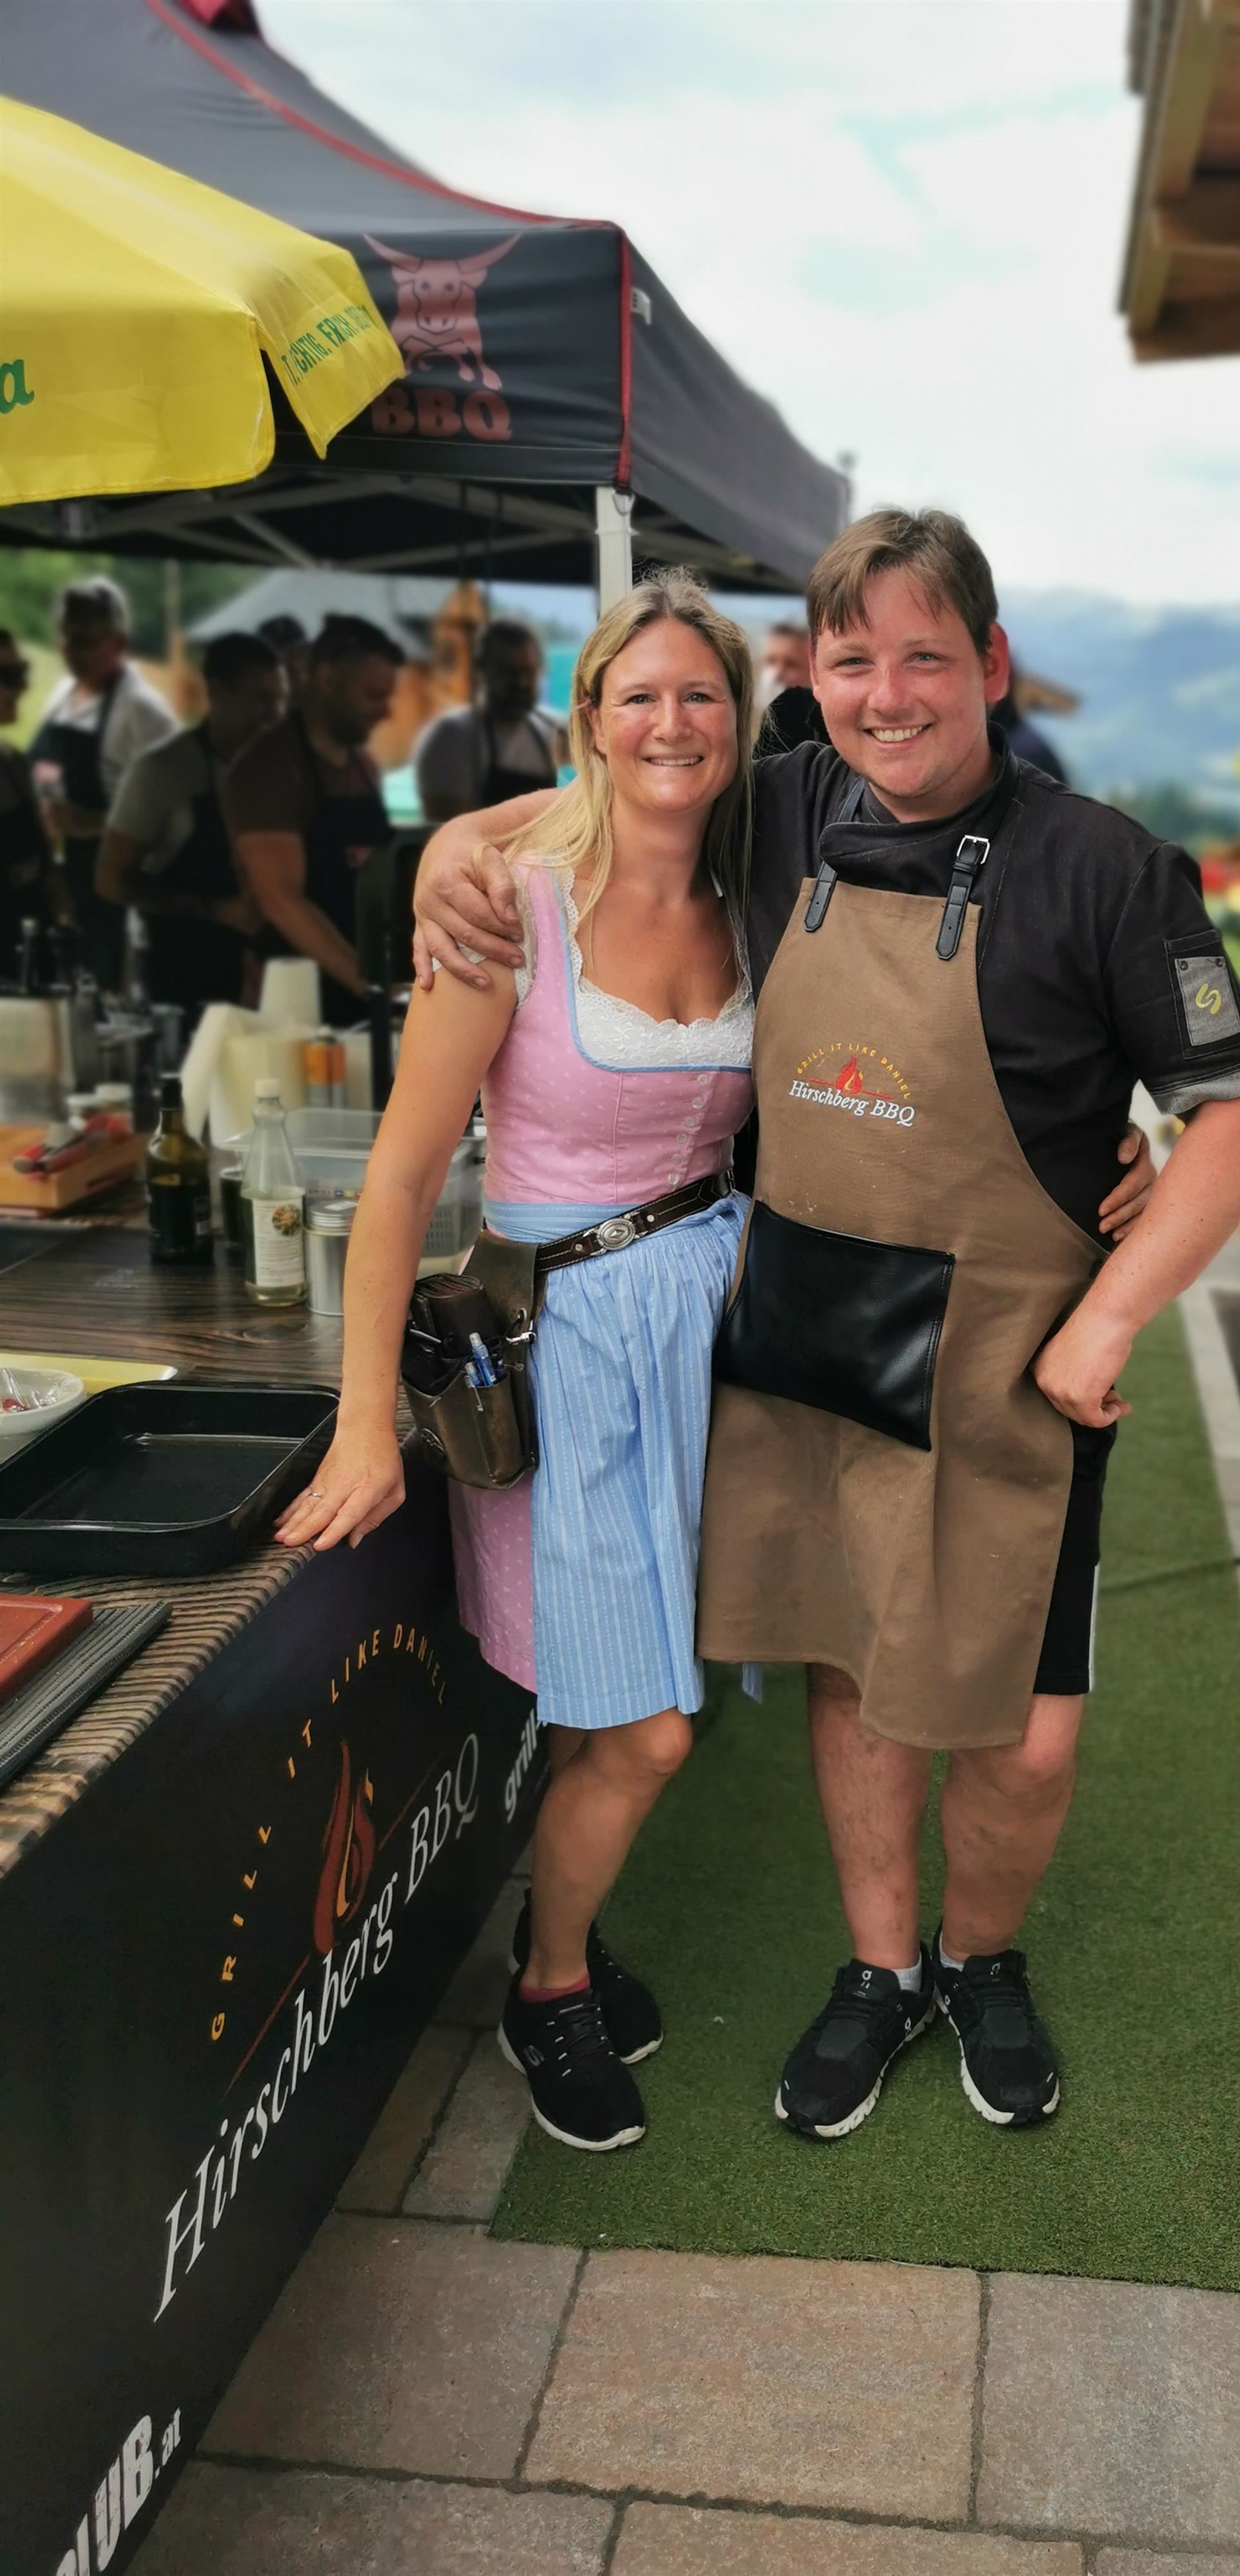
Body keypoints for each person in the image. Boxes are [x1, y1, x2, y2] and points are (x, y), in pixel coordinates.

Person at [413, 507, 1240, 2144]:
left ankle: (980, 1957)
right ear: (812, 678)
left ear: (991, 664)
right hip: (811, 1341)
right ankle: (880, 1967)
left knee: (1025, 1742)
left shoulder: (1110, 871)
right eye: (852, 660)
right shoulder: (787, 801)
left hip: (1013, 1367)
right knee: (857, 1672)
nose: (888, 695)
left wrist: (1108, 1321)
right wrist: (444, 849)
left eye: (924, 657)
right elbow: (592, 790)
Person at [276, 573, 758, 2154]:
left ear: (741, 720)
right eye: (639, 694)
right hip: (562, 1348)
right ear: (589, 719)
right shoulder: (509, 912)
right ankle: (545, 1985)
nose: (671, 722)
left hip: (705, 1335)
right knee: (647, 1724)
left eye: (702, 693)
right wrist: (365, 1424)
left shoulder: (755, 888)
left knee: (619, 1700)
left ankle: (570, 1924)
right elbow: (401, 1180)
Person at [224, 613, 402, 1021]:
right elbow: (281, 901)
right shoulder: (272, 768)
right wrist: (375, 986)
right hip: (293, 999)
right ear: (326, 678)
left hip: (359, 994)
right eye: (373, 697)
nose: (386, 712)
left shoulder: (362, 766)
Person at [97, 631, 286, 1015]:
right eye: (260, 700)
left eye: (279, 700)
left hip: (273, 978)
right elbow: (111, 881)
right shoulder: (162, 772)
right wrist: (218, 911)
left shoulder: (281, 772)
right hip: (185, 986)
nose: (273, 716)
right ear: (216, 693)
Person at [29, 577, 177, 989]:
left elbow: (176, 817)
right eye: (65, 638)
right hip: (58, 888)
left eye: (84, 641)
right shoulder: (63, 692)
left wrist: (91, 822)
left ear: (119, 642)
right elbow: (45, 765)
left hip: (111, 896)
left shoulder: (145, 713)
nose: (70, 651)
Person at [413, 618, 565, 823]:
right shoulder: (451, 737)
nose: (521, 683)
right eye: (509, 673)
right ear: (481, 672)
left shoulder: (550, 730)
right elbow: (450, 829)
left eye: (528, 672)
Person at [0, 628, 64, 971]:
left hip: (30, 964)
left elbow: (46, 868)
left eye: (22, 672)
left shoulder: (14, 764)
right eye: (8, 677)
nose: (23, 687)